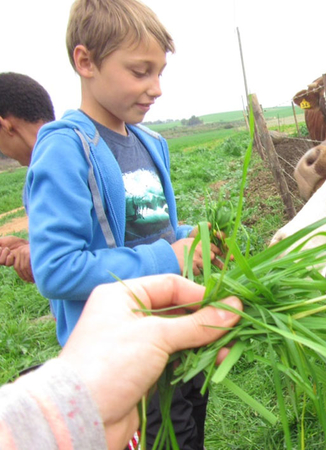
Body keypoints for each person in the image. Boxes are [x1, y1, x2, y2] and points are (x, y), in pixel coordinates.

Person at [25, 0, 223, 447]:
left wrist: (193, 240)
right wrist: (166, 258)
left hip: (178, 331)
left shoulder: (150, 142)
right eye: (140, 72)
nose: (156, 88)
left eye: (160, 73)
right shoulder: (66, 147)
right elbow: (57, 268)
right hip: (123, 351)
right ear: (86, 61)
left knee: (191, 426)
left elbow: (157, 229)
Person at [0, 274, 243, 450]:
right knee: (169, 427)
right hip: (129, 338)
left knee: (191, 411)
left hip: (164, 327)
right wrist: (165, 255)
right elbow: (55, 270)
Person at [0, 72, 55, 283]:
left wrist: (44, 254)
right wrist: (28, 249)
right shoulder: (41, 167)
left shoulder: (60, 163)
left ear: (5, 125)